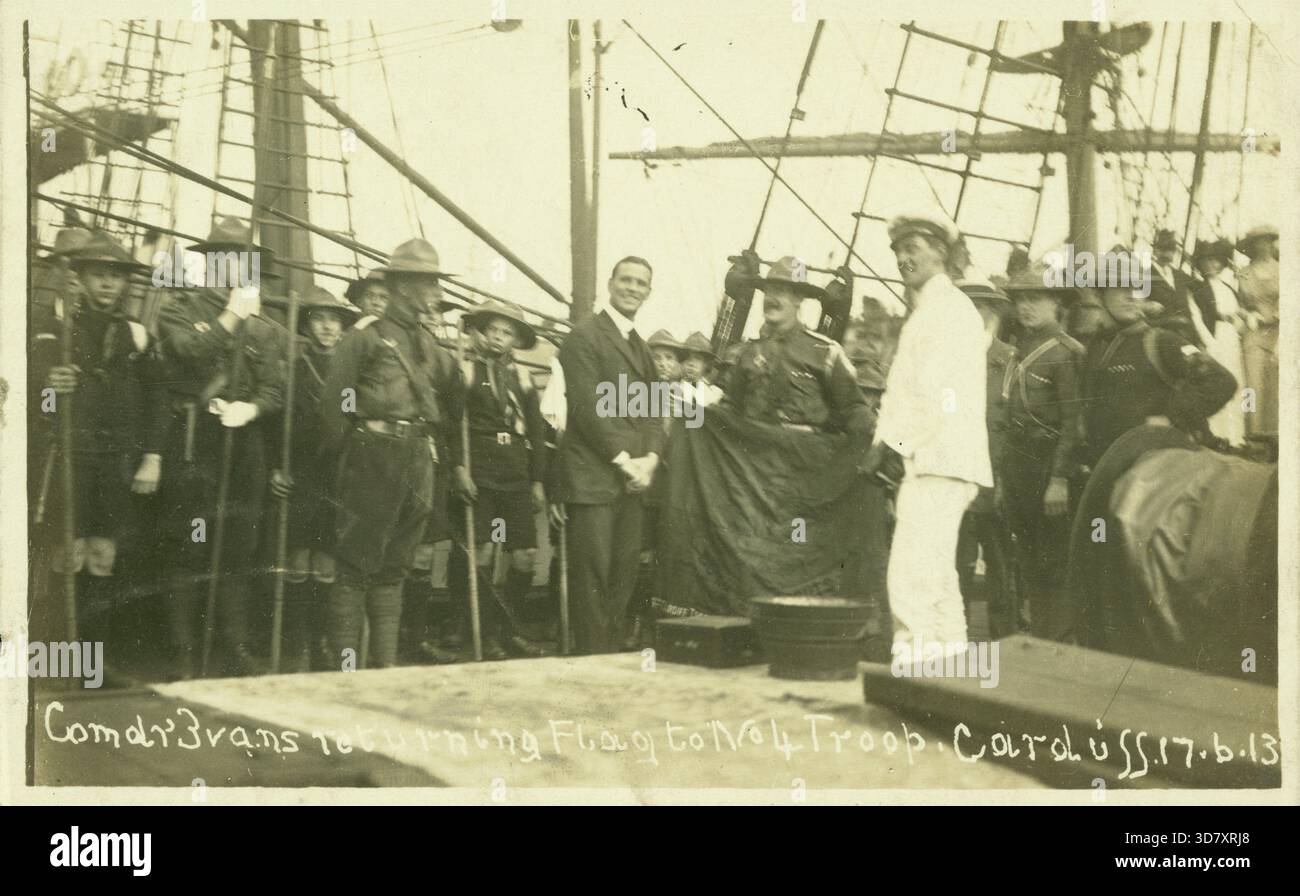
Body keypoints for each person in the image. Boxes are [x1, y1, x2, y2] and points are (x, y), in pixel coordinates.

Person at [319, 238, 463, 669]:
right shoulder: (366, 339)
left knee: (396, 566)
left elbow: (455, 394)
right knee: (355, 566)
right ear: (402, 286)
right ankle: (347, 670)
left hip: (418, 455)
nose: (436, 292)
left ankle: (384, 670)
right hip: (373, 454)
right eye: (428, 283)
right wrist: (352, 455)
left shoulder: (429, 343)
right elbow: (336, 405)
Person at [154, 218, 287, 678]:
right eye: (224, 259)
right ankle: (183, 651)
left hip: (243, 443)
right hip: (196, 441)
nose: (234, 268)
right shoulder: (179, 309)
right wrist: (231, 316)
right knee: (190, 544)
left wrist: (252, 410)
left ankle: (234, 645)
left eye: (242, 261)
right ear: (210, 263)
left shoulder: (267, 329)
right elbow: (189, 351)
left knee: (238, 547)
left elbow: (275, 386)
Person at [862, 211, 992, 661]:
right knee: (937, 580)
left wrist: (893, 449)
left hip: (935, 458)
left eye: (912, 248)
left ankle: (913, 677)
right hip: (937, 458)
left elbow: (937, 396)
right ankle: (948, 675)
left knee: (912, 578)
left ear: (940, 251)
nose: (902, 257)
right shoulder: (932, 312)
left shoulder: (948, 311)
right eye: (898, 250)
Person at [31, 230, 167, 652]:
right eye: (98, 276)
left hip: (117, 459)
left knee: (104, 555)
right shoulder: (52, 332)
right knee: (67, 553)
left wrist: (152, 458)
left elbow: (157, 402)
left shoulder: (138, 336)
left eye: (116, 276)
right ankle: (62, 660)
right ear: (80, 280)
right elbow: (32, 401)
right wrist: (51, 387)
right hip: (68, 456)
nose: (108, 285)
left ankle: (98, 661)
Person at [556, 256, 666, 654]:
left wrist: (651, 460)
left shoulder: (643, 349)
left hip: (633, 482)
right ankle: (590, 667)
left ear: (649, 292)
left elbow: (655, 413)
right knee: (592, 581)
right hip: (595, 480)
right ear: (610, 283)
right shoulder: (584, 337)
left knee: (622, 579)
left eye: (641, 283)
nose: (633, 288)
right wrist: (626, 462)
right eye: (626, 280)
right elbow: (587, 411)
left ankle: (611, 666)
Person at [444, 299, 547, 660]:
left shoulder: (523, 378)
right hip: (481, 473)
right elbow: (453, 425)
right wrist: (459, 468)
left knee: (524, 554)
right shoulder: (467, 372)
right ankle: (481, 633)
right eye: (494, 330)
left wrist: (537, 481)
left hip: (516, 473)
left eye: (508, 333)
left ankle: (509, 629)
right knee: (484, 550)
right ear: (482, 332)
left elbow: (535, 432)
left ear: (516, 340)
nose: (500, 338)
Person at [265, 287, 361, 671]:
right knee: (298, 559)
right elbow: (275, 424)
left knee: (327, 563)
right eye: (319, 319)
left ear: (342, 329)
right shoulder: (293, 369)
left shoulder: (351, 375)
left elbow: (355, 423)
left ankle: (321, 642)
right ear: (307, 325)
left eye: (334, 320)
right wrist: (276, 466)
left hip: (337, 474)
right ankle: (296, 644)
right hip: (299, 471)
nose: (326, 326)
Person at [999, 263, 1086, 641]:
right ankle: (1039, 636)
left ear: (1057, 304)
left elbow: (1074, 423)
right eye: (1020, 299)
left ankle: (1058, 642)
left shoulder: (1067, 352)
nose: (1026, 307)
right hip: (1018, 466)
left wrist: (1059, 480)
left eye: (1036, 298)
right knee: (1029, 559)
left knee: (1055, 560)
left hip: (1049, 465)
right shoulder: (1019, 350)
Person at [1079, 281, 1237, 469]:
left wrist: (1171, 418)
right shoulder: (1095, 346)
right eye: (1121, 289)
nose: (1132, 296)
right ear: (1098, 296)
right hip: (1105, 463)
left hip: (1155, 468)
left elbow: (1222, 381)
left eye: (1137, 289)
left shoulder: (1160, 341)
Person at [723, 256, 871, 440]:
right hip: (751, 457)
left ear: (798, 298)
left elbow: (855, 411)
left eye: (780, 291)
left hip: (801, 460)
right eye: (768, 291)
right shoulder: (749, 353)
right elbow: (730, 409)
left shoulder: (825, 352)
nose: (771, 299)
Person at [953, 275, 1020, 638]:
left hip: (998, 478)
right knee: (956, 564)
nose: (975, 317)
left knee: (1001, 563)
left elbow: (1015, 425)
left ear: (995, 315)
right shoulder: (947, 363)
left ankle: (1004, 641)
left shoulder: (1011, 362)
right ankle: (956, 640)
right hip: (958, 477)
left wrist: (1004, 478)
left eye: (981, 309)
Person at [1188, 238, 1247, 447]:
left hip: (1231, 338)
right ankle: (1216, 434)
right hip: (1215, 338)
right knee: (1218, 382)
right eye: (1205, 262)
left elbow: (1238, 314)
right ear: (1200, 264)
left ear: (1222, 263)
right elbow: (1196, 317)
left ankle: (1236, 436)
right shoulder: (1196, 288)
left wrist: (1240, 325)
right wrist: (1208, 342)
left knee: (1237, 383)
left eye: (1215, 261)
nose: (1211, 266)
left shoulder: (1228, 288)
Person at [1235, 225, 1279, 438]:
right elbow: (1239, 305)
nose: (1262, 246)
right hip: (1253, 336)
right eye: (1257, 242)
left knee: (1277, 387)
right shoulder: (1243, 274)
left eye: (1266, 241)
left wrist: (1278, 315)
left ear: (1272, 243)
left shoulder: (1283, 271)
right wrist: (1248, 315)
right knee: (1252, 387)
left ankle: (1276, 439)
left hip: (1281, 336)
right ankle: (1252, 435)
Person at [1146, 228, 1199, 344]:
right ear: (1154, 249)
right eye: (1161, 248)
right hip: (1162, 337)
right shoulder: (1145, 274)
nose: (1166, 253)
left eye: (1170, 249)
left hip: (1187, 335)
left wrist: (1192, 261)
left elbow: (1201, 288)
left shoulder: (1180, 275)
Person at [679, 331, 725, 407]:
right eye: (687, 357)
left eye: (697, 358)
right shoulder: (675, 387)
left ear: (706, 364)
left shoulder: (714, 392)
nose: (691, 363)